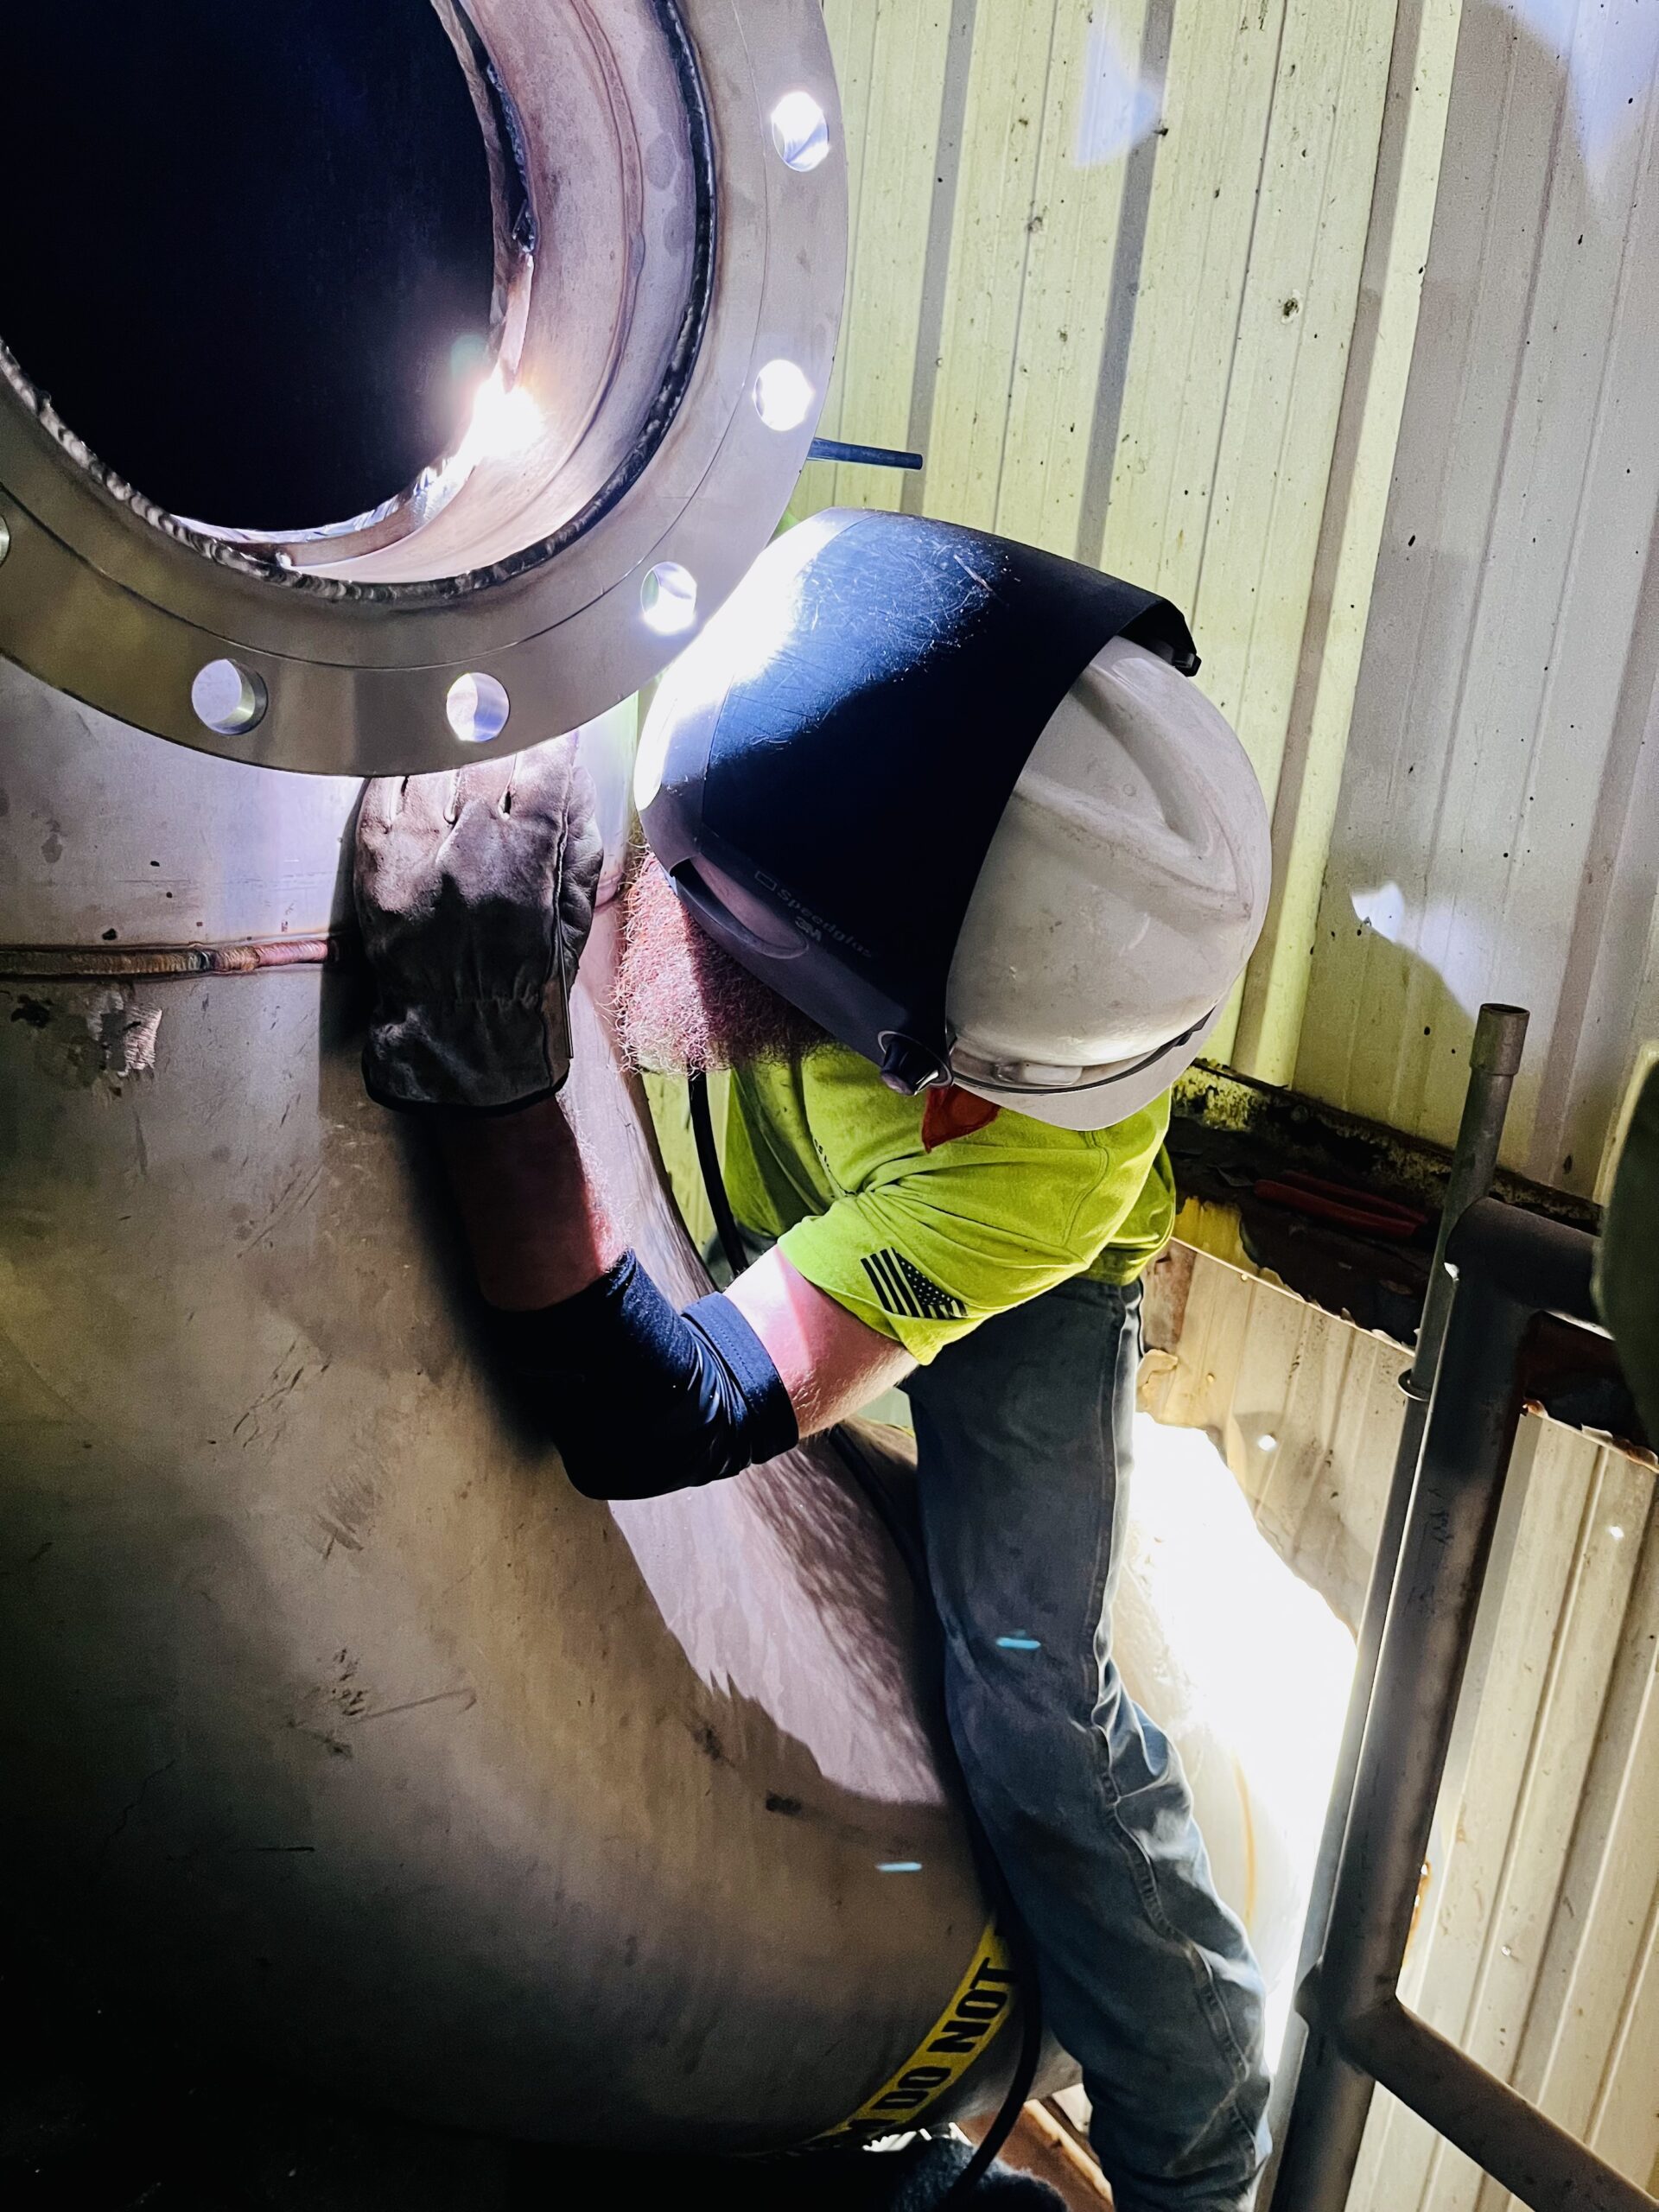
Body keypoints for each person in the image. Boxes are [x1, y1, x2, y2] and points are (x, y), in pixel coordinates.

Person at [353, 512, 1274, 2211]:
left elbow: (662, 1404)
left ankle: (1203, 2144)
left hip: (1016, 1293)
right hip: (742, 1141)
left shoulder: (1033, 1152)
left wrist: (487, 1086)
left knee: (1025, 1695)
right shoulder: (778, 670)